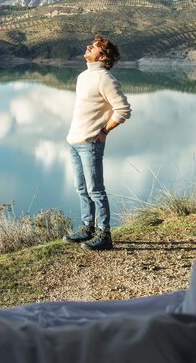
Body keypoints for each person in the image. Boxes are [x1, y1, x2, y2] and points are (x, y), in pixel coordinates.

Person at [63, 35, 131, 250]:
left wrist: (104, 131)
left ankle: (104, 234)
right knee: (81, 188)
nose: (88, 47)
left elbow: (123, 110)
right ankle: (87, 228)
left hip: (91, 143)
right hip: (74, 140)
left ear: (102, 56)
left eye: (93, 47)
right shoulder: (84, 76)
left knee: (96, 190)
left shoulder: (106, 79)